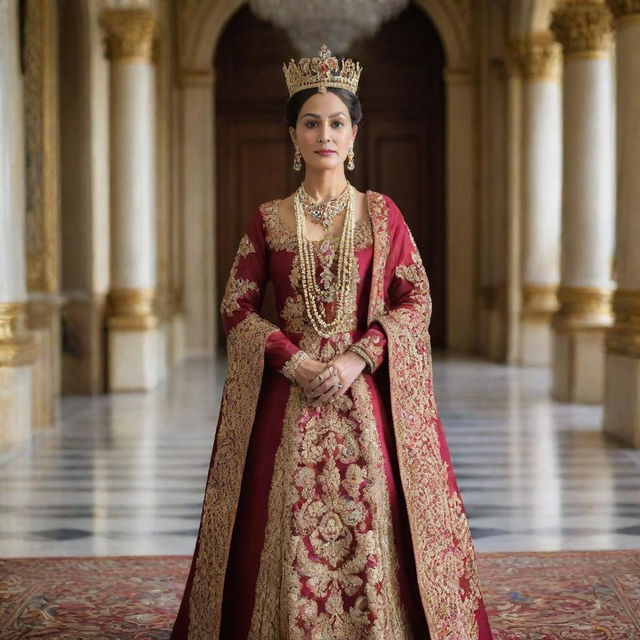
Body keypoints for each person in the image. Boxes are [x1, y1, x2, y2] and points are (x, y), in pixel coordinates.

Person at [170, 44, 494, 640]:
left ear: (354, 134)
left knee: (373, 515)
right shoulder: (269, 219)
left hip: (362, 397)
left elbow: (414, 298)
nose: (325, 134)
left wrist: (356, 357)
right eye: (311, 122)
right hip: (288, 399)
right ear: (293, 136)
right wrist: (290, 361)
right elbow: (235, 308)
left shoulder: (380, 214)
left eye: (337, 122)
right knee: (283, 515)